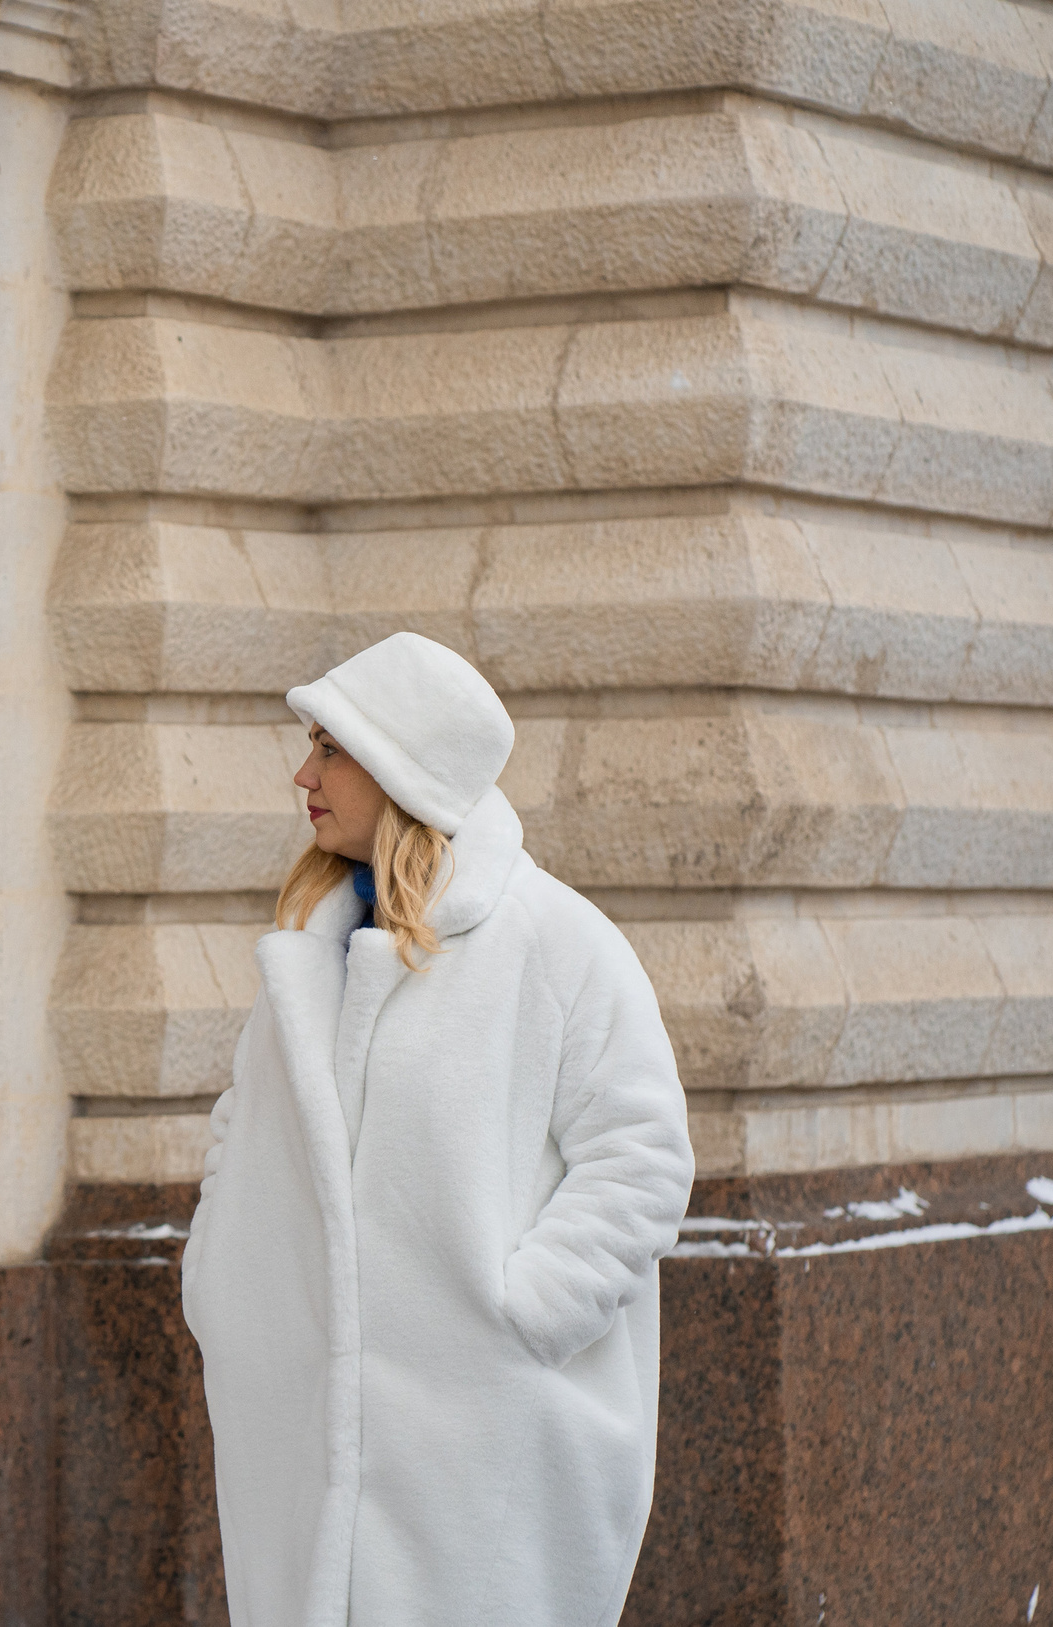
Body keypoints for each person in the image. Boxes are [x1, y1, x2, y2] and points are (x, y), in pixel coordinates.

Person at [182, 632, 694, 1627]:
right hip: (294, 1426)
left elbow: (639, 1156)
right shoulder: (309, 953)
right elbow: (242, 1123)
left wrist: (521, 1318)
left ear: (398, 765)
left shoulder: (554, 943)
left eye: (330, 749)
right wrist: (219, 1282)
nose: (304, 773)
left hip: (476, 1447)